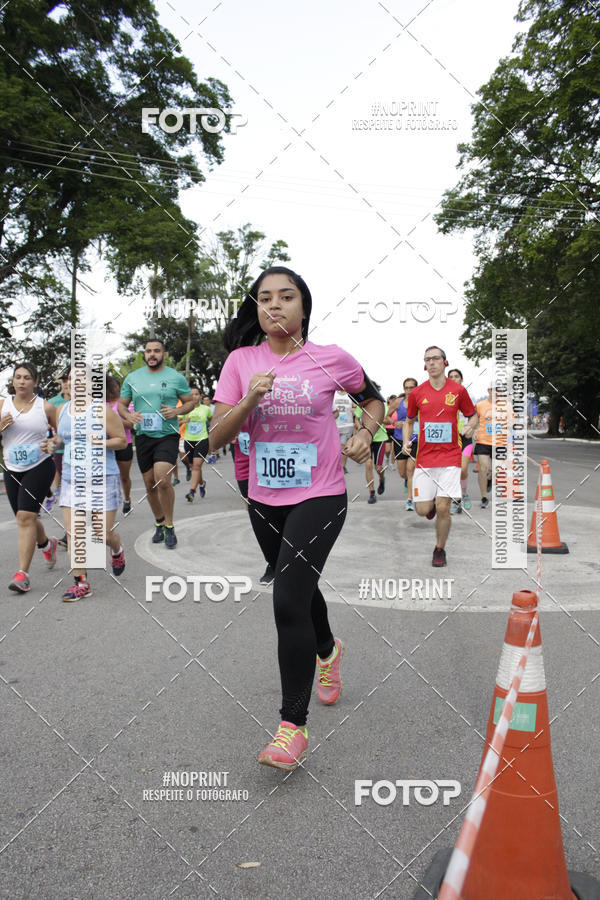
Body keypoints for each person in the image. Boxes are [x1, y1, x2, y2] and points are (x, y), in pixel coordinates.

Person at [209, 266, 384, 770]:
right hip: (265, 496)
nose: (276, 305)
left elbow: (372, 397)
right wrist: (250, 398)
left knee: (287, 598)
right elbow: (216, 438)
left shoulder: (330, 359)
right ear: (257, 310)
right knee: (300, 588)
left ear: (304, 307)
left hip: (322, 492)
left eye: (287, 297)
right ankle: (327, 651)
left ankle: (291, 727)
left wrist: (366, 433)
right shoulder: (242, 362)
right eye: (265, 298)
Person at [47, 371, 128, 601]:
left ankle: (117, 548)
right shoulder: (62, 410)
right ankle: (81, 583)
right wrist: (52, 443)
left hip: (103, 477)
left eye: (81, 378)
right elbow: (63, 437)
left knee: (102, 533)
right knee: (74, 532)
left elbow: (121, 440)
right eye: (71, 378)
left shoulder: (101, 410)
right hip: (73, 478)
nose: (74, 382)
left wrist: (101, 441)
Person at [403, 346, 477, 567]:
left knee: (445, 508)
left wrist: (471, 427)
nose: (432, 362)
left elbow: (473, 416)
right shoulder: (417, 393)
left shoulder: (458, 391)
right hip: (425, 458)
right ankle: (431, 505)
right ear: (424, 365)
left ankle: (439, 549)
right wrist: (407, 441)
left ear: (445, 362)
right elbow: (408, 421)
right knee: (422, 510)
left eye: (436, 358)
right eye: (428, 359)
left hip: (450, 457)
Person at [117, 339, 195, 549]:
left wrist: (176, 411)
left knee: (162, 479)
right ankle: (159, 521)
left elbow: (190, 402)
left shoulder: (175, 377)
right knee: (150, 484)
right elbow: (122, 406)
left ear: (164, 354)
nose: (152, 354)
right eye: (149, 351)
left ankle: (169, 526)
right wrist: (129, 416)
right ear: (145, 354)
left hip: (167, 434)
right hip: (143, 436)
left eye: (157, 351)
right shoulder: (133, 378)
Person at [1, 363, 59, 593]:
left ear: (35, 382)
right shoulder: (3, 405)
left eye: (27, 377)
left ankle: (22, 574)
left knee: (25, 517)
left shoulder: (46, 407)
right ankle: (47, 544)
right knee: (27, 517)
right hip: (12, 468)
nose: (22, 381)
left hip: (40, 465)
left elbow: (63, 434)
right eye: (18, 377)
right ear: (13, 381)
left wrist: (54, 442)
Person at [474, 385, 509, 509]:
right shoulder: (480, 405)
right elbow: (474, 421)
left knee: (498, 470)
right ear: (489, 390)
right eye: (495, 389)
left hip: (500, 442)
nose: (497, 392)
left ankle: (489, 479)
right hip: (483, 441)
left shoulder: (507, 406)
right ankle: (484, 497)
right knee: (483, 467)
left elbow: (513, 423)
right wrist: (474, 431)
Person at [448, 368, 476, 513]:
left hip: (464, 437)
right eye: (451, 376)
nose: (454, 379)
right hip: (449, 438)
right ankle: (456, 500)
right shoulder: (444, 396)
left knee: (463, 469)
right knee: (453, 470)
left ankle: (464, 493)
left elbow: (474, 416)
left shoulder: (469, 395)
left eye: (456, 376)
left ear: (461, 379)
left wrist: (470, 427)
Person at [106, 376, 134, 515]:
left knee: (123, 476)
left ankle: (127, 499)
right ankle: (109, 506)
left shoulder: (126, 404)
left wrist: (114, 420)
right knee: (110, 476)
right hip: (107, 446)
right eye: (108, 387)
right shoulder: (101, 404)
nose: (111, 390)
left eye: (114, 387)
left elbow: (131, 424)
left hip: (124, 444)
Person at [355, 396, 387, 503]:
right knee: (368, 464)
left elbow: (387, 419)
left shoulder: (382, 404)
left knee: (378, 468)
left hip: (380, 438)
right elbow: (356, 419)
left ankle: (382, 479)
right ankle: (372, 493)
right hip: (366, 438)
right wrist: (360, 426)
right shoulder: (362, 404)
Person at [182, 387, 212, 502]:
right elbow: (177, 422)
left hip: (202, 440)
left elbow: (211, 419)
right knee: (193, 466)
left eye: (196, 394)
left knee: (197, 466)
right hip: (188, 441)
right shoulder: (184, 409)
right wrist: (185, 421)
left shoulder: (206, 409)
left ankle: (191, 492)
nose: (194, 396)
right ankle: (201, 483)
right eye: (191, 394)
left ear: (200, 396)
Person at [394, 379, 419, 510]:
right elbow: (386, 416)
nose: (409, 391)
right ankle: (406, 481)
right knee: (402, 472)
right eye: (407, 388)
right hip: (399, 439)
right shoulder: (398, 402)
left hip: (415, 439)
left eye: (412, 388)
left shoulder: (421, 402)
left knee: (411, 470)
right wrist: (394, 423)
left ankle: (410, 499)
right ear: (404, 389)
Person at [332, 389, 354, 473]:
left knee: (344, 446)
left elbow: (356, 407)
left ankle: (343, 466)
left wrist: (354, 410)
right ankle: (335, 465)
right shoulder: (333, 394)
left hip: (347, 424)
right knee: (335, 447)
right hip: (335, 424)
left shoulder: (350, 395)